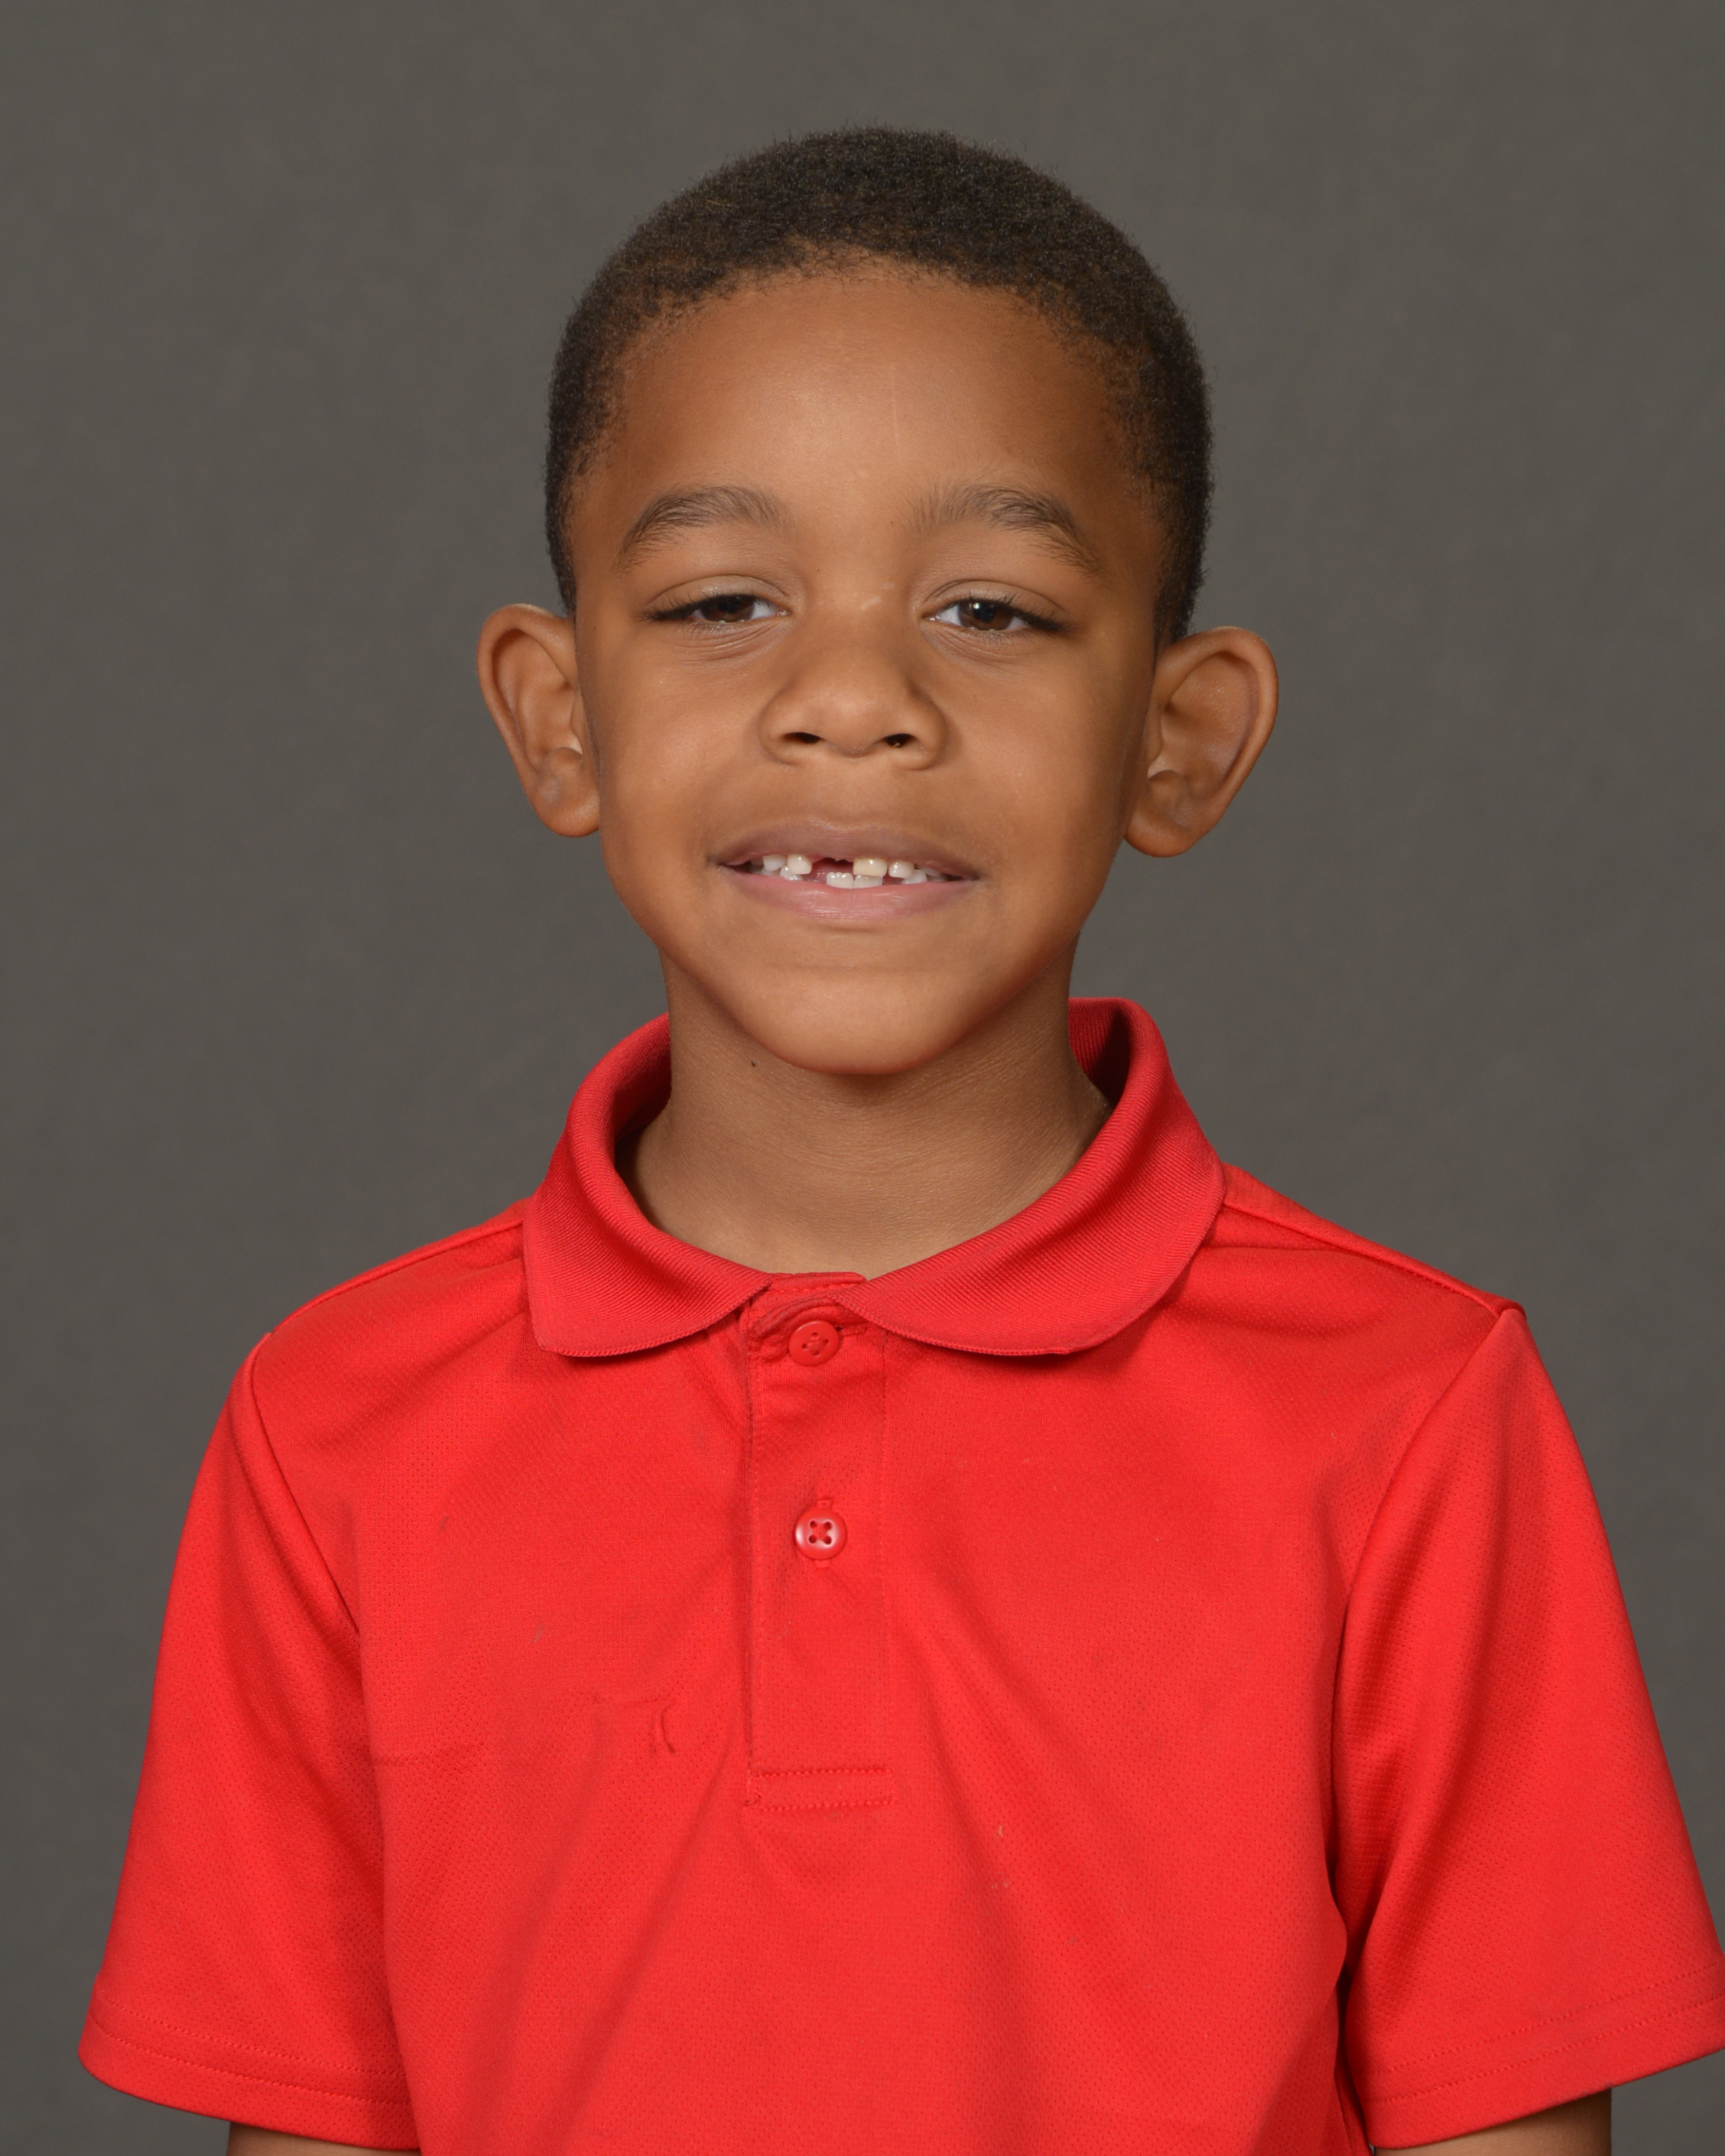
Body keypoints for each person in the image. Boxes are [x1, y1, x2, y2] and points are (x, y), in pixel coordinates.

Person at [80, 128, 1725, 2156]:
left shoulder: (1412, 1413)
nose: (851, 698)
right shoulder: (332, 1430)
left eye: (993, 610)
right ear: (558, 716)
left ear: (1182, 738)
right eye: (721, 599)